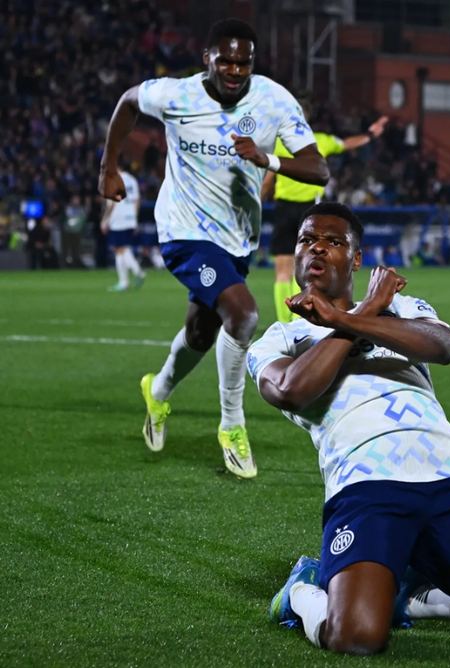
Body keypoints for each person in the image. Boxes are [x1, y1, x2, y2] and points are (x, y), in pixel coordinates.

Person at [247, 202, 450, 655]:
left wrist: (349, 316)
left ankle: (432, 598)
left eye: (334, 241)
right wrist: (363, 314)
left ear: (356, 259)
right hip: (366, 486)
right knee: (356, 637)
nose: (317, 247)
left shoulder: (401, 307)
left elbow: (443, 346)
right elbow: (291, 390)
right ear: (296, 255)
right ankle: (301, 590)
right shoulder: (280, 339)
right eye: (307, 240)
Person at [98, 18, 328, 478]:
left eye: (244, 62)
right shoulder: (176, 95)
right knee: (243, 314)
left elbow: (318, 169)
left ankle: (157, 392)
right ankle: (232, 424)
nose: (235, 70)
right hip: (183, 233)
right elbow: (128, 102)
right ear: (207, 58)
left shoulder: (274, 100)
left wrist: (268, 159)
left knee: (202, 333)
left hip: (236, 239)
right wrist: (109, 167)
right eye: (226, 61)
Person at [261, 97, 387, 324]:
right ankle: (299, 320)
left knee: (282, 270)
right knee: (304, 267)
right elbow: (347, 144)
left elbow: (268, 179)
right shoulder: (319, 141)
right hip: (309, 214)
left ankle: (284, 323)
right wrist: (370, 134)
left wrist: (256, 205)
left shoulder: (278, 143)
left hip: (283, 209)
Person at [100, 167, 146, 291]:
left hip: (118, 218)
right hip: (130, 217)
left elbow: (112, 203)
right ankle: (124, 282)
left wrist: (105, 220)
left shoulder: (113, 180)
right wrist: (134, 218)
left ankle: (138, 271)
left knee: (119, 248)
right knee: (120, 249)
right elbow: (137, 200)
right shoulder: (132, 179)